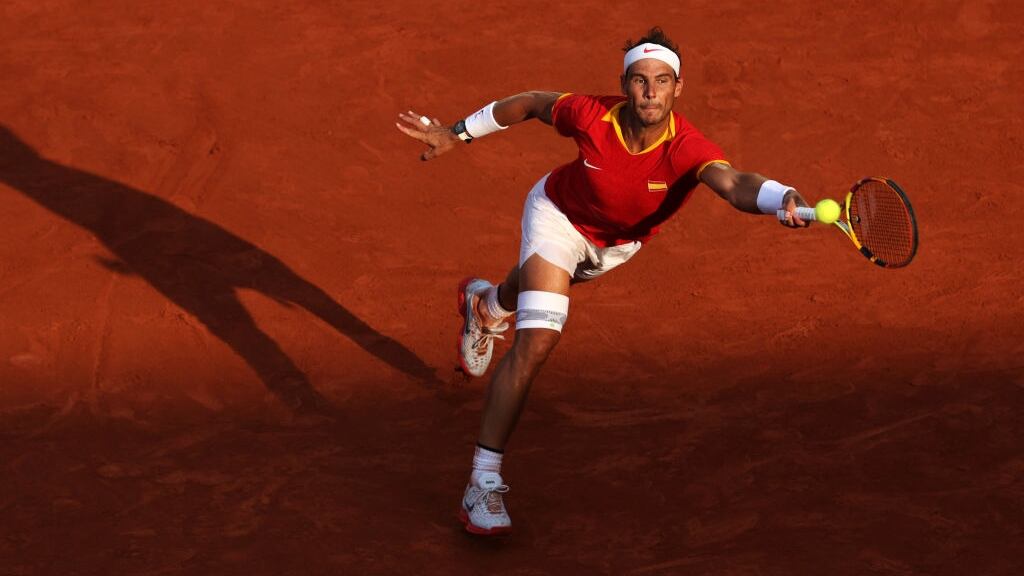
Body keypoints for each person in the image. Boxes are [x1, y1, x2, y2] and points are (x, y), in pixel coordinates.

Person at [396, 27, 809, 536]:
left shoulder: (687, 147)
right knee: (539, 338)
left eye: (662, 81)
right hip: (558, 217)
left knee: (537, 290)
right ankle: (482, 482)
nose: (650, 91)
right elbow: (528, 103)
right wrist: (456, 133)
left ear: (677, 88)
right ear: (625, 83)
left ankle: (486, 306)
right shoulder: (591, 114)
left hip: (616, 247)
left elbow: (734, 183)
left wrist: (781, 196)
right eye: (640, 80)